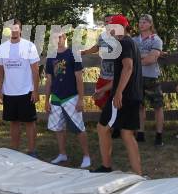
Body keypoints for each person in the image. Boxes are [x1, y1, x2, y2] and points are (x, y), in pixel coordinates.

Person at [91, 15, 143, 175]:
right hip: (133, 96)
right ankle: (138, 174)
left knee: (102, 128)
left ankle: (106, 166)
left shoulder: (124, 43)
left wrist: (118, 92)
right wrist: (104, 89)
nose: (109, 29)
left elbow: (127, 68)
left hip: (123, 98)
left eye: (111, 26)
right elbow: (122, 74)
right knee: (127, 134)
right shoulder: (132, 43)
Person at [0, 19, 40, 156]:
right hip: (9, 92)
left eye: (17, 28)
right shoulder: (3, 48)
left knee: (29, 122)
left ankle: (32, 151)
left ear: (20, 30)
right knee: (13, 123)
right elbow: (0, 71)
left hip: (26, 91)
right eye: (11, 28)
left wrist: (36, 90)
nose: (14, 31)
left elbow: (35, 70)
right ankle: (15, 152)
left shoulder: (29, 46)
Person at [45, 32, 91, 168]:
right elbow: (48, 80)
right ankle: (62, 153)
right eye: (54, 37)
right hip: (56, 98)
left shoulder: (73, 54)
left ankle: (86, 155)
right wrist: (46, 100)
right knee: (58, 128)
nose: (57, 39)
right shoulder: (51, 56)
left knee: (79, 128)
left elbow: (79, 78)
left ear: (65, 37)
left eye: (59, 37)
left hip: (71, 96)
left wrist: (81, 99)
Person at [133, 14, 164, 146]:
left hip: (152, 78)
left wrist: (139, 59)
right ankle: (140, 133)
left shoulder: (156, 40)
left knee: (157, 107)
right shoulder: (134, 40)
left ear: (150, 24)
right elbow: (130, 58)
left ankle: (159, 135)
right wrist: (146, 56)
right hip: (137, 77)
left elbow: (152, 60)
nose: (141, 24)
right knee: (140, 106)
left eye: (145, 22)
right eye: (140, 22)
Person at [81, 14, 114, 110]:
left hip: (116, 75)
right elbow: (96, 47)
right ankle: (107, 120)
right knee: (99, 99)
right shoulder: (102, 36)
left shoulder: (120, 36)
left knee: (116, 101)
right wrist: (84, 52)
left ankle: (113, 122)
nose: (108, 23)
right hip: (104, 74)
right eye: (106, 21)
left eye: (110, 21)